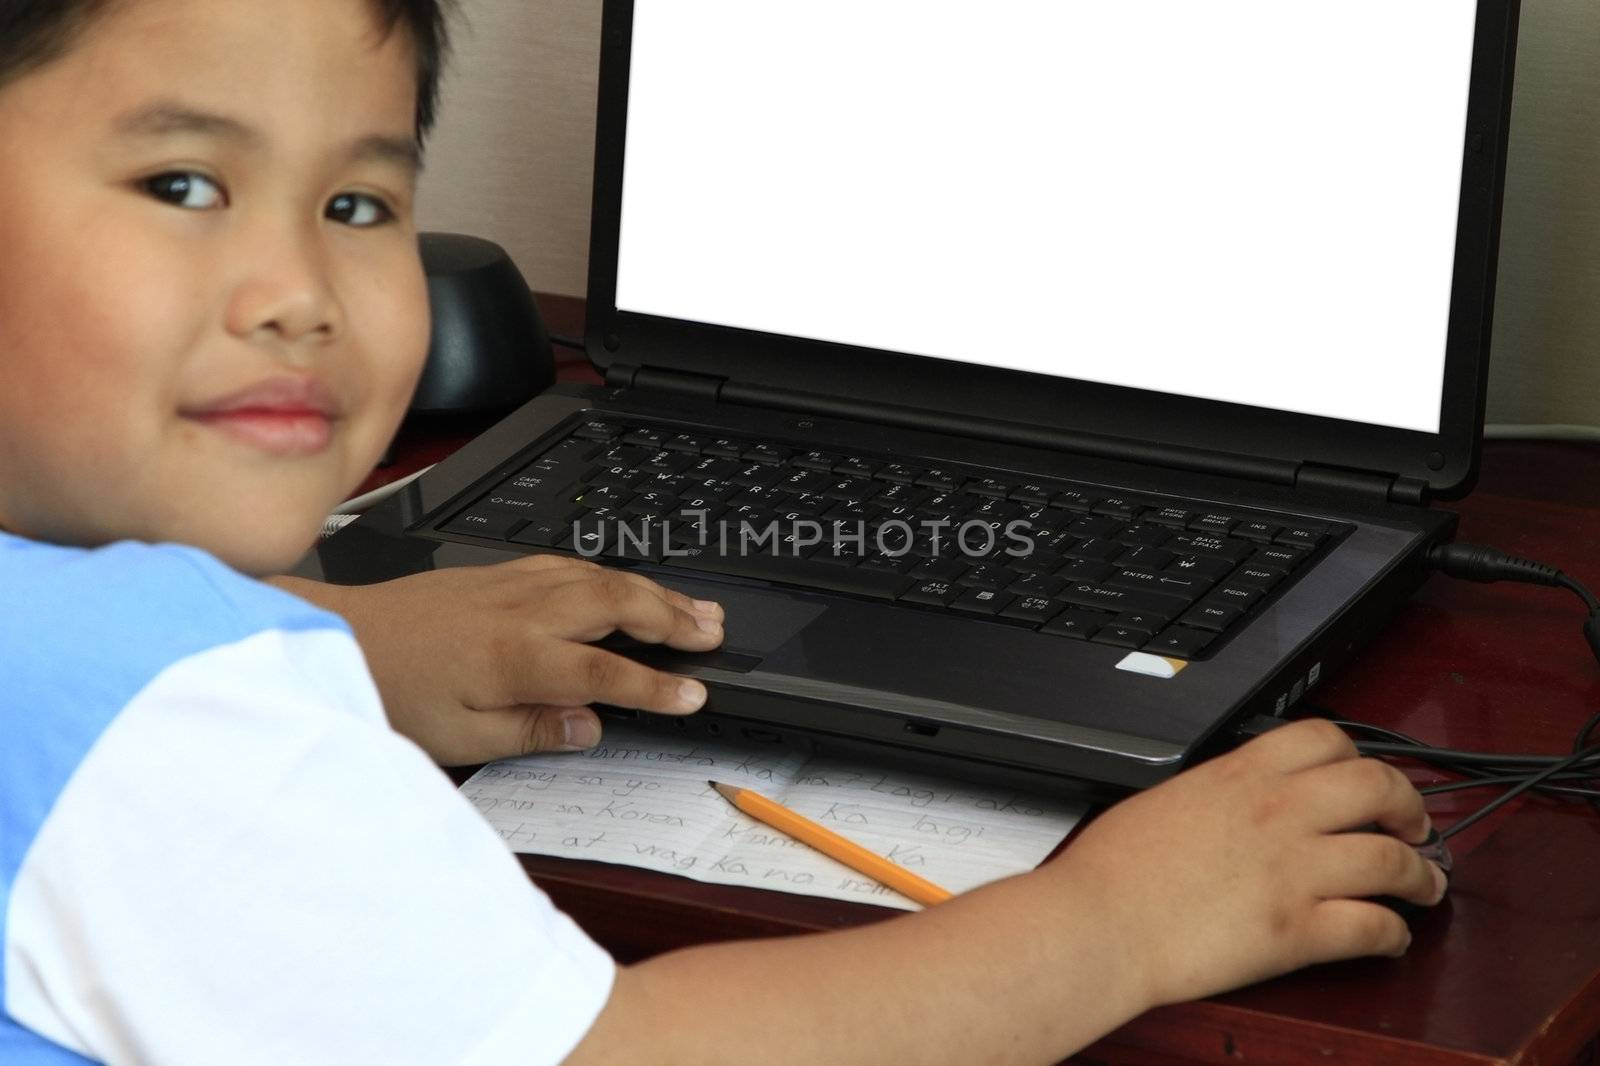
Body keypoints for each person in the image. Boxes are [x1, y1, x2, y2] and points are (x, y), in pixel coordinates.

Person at [0, 1, 1449, 1062]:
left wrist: (350, 631)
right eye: (183, 184)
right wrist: (1123, 920)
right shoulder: (189, 731)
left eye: (356, 199)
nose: (297, 288)